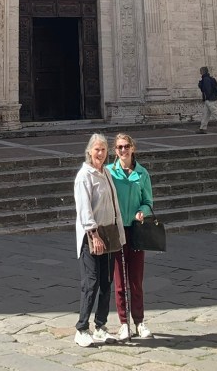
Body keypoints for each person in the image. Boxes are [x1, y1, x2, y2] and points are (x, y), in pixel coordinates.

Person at [74, 133, 125, 347]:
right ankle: (81, 328)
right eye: (97, 149)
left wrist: (120, 234)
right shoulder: (84, 176)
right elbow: (84, 208)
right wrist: (93, 234)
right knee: (91, 282)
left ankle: (100, 326)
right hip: (92, 236)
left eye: (103, 149)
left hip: (109, 233)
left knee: (106, 281)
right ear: (89, 151)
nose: (101, 153)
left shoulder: (106, 173)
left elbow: (114, 204)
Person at [109, 133, 154, 341]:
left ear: (133, 148)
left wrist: (142, 212)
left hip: (136, 230)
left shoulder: (142, 173)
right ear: (115, 150)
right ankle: (123, 323)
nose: (123, 150)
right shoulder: (109, 172)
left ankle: (139, 321)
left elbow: (148, 201)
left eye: (126, 146)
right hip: (117, 230)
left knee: (136, 279)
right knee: (119, 280)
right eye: (119, 147)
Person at [197, 66, 217, 134]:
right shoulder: (209, 78)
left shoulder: (206, 79)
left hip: (210, 99)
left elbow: (207, 90)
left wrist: (207, 97)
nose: (200, 73)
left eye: (200, 71)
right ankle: (202, 128)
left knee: (216, 114)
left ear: (202, 72)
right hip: (210, 99)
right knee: (206, 114)